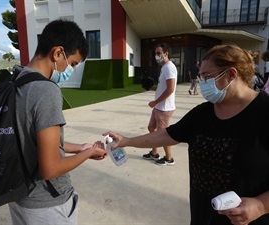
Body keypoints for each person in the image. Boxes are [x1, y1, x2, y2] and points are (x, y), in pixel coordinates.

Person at [104, 44, 269, 225]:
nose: (203, 83)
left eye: (207, 77)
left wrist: (260, 205)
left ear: (231, 74)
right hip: (201, 217)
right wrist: (126, 141)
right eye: (201, 77)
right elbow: (167, 135)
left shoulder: (264, 113)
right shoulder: (203, 113)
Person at [8, 20, 107, 225]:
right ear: (58, 53)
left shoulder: (15, 82)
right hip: (47, 204)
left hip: (17, 197)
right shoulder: (46, 90)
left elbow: (31, 140)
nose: (70, 70)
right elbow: (50, 168)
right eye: (71, 63)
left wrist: (79, 147)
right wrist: (88, 153)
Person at [142, 43, 177, 166]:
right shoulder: (163, 67)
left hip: (164, 108)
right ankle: (154, 153)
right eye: (155, 53)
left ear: (166, 54)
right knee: (151, 128)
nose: (156, 55)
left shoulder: (169, 68)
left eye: (158, 53)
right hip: (158, 107)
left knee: (163, 135)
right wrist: (151, 88)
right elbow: (163, 87)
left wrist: (155, 102)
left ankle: (169, 158)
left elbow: (170, 89)